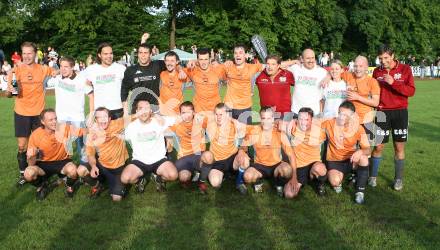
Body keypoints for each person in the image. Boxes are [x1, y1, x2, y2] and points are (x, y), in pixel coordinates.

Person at [7, 42, 56, 186]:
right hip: (21, 112)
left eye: (29, 53)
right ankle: (23, 173)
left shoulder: (43, 69)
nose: (27, 56)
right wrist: (10, 91)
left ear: (35, 54)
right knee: (22, 145)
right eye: (24, 53)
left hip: (39, 114)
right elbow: (10, 94)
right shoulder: (15, 70)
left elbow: (57, 72)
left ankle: (39, 171)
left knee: (38, 145)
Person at [371, 45, 416, 190]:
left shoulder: (405, 69)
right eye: (380, 58)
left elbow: (411, 91)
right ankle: (372, 177)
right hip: (381, 112)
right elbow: (373, 92)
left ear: (393, 56)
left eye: (386, 58)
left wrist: (393, 83)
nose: (383, 61)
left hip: (400, 112)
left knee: (398, 147)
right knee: (378, 146)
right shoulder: (377, 72)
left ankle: (398, 179)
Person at [120, 100, 178, 193]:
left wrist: (169, 134)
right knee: (125, 178)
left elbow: (179, 119)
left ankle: (159, 179)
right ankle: (140, 181)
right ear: (136, 111)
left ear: (151, 111)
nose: (143, 111)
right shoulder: (131, 127)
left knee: (173, 175)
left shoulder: (159, 121)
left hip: (159, 159)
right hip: (139, 160)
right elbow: (116, 127)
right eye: (140, 109)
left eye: (146, 108)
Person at [24, 109, 79, 200]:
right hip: (43, 164)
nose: (54, 122)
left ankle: (69, 185)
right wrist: (31, 156)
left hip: (62, 161)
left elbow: (82, 131)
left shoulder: (64, 128)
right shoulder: (36, 135)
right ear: (43, 122)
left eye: (55, 119)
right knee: (28, 173)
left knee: (73, 171)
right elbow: (31, 165)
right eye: (50, 120)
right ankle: (42, 185)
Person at [322, 101, 370, 204]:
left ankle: (360, 192)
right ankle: (351, 176)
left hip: (351, 160)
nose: (341, 117)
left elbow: (368, 149)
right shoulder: (330, 123)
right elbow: (312, 124)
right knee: (335, 181)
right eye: (340, 113)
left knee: (364, 158)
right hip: (334, 161)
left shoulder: (358, 128)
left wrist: (360, 151)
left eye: (345, 115)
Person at [241, 107, 295, 197]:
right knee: (247, 176)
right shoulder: (254, 131)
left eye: (269, 118)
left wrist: (294, 177)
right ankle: (258, 183)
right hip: (259, 165)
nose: (266, 121)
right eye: (263, 118)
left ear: (273, 119)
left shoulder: (279, 132)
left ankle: (278, 184)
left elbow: (291, 156)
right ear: (260, 119)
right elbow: (243, 146)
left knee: (287, 170)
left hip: (276, 165)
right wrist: (242, 152)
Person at [53, 56, 94, 171]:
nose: (63, 69)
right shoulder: (57, 78)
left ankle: (84, 169)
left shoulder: (81, 79)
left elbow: (91, 95)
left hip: (77, 118)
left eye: (66, 67)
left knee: (81, 147)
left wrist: (91, 113)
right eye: (61, 66)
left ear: (72, 67)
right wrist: (56, 71)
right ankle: (66, 171)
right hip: (61, 118)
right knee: (63, 145)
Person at [197, 103, 248, 194]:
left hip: (232, 157)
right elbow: (196, 118)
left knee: (245, 160)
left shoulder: (234, 124)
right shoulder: (210, 123)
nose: (218, 117)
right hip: (217, 160)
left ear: (227, 115)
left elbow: (246, 136)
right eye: (216, 114)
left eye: (221, 114)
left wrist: (241, 151)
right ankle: (224, 174)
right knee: (215, 183)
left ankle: (239, 182)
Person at [80, 107, 129, 201]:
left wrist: (148, 112)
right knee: (81, 170)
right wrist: (93, 166)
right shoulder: (92, 132)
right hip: (102, 166)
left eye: (105, 117)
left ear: (110, 118)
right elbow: (90, 153)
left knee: (117, 198)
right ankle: (97, 185)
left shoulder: (117, 124)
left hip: (118, 167)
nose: (102, 120)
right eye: (99, 117)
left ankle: (121, 181)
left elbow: (133, 117)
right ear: (96, 120)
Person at [285, 108, 328, 198]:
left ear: (312, 120)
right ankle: (301, 181)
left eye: (306, 119)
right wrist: (292, 121)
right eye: (301, 119)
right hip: (299, 167)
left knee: (320, 168)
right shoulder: (293, 127)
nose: (303, 122)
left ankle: (320, 183)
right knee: (288, 194)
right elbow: (276, 124)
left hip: (314, 164)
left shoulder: (319, 131)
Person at [166, 101, 207, 187]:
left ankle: (199, 174)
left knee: (208, 159)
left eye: (188, 112)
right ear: (180, 114)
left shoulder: (200, 120)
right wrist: (169, 139)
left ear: (193, 112)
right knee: (183, 178)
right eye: (183, 112)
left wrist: (199, 116)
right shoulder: (177, 124)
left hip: (198, 154)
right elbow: (166, 130)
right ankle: (192, 172)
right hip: (184, 156)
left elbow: (215, 118)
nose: (186, 115)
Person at [340, 56, 380, 143]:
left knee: (365, 152)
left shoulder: (372, 81)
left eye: (361, 66)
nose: (357, 69)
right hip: (349, 121)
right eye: (355, 66)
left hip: (366, 121)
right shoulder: (348, 75)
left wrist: (358, 97)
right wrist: (327, 77)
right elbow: (333, 71)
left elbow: (375, 103)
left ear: (366, 67)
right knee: (348, 151)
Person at [223, 44, 264, 124]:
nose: (238, 55)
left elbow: (273, 65)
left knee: (245, 134)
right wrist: (195, 62)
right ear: (233, 55)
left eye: (241, 53)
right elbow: (210, 66)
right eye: (235, 53)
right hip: (229, 106)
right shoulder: (227, 66)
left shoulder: (252, 67)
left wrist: (295, 61)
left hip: (245, 107)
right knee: (228, 134)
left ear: (245, 55)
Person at [85, 42, 126, 119]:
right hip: (100, 111)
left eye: (111, 53)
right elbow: (85, 84)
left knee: (120, 131)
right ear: (99, 55)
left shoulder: (121, 69)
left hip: (118, 110)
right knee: (101, 132)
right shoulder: (91, 70)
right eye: (105, 54)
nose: (109, 56)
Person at [288, 48, 328, 118]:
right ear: (302, 59)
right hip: (296, 111)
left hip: (314, 113)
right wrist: (293, 61)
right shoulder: (296, 68)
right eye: (308, 58)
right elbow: (278, 66)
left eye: (312, 58)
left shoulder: (322, 72)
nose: (311, 61)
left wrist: (329, 77)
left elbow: (337, 73)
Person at [186, 48, 226, 113]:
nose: (204, 62)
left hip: (215, 112)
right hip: (198, 112)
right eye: (201, 59)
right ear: (197, 60)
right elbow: (176, 68)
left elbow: (233, 69)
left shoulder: (218, 69)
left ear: (210, 60)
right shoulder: (192, 70)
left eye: (206, 59)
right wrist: (191, 62)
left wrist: (229, 62)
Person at [159, 51, 189, 115]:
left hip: (177, 113)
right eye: (167, 60)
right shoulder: (162, 74)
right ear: (164, 61)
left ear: (177, 62)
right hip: (163, 112)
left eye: (172, 61)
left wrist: (181, 70)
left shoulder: (183, 74)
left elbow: (197, 65)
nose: (169, 63)